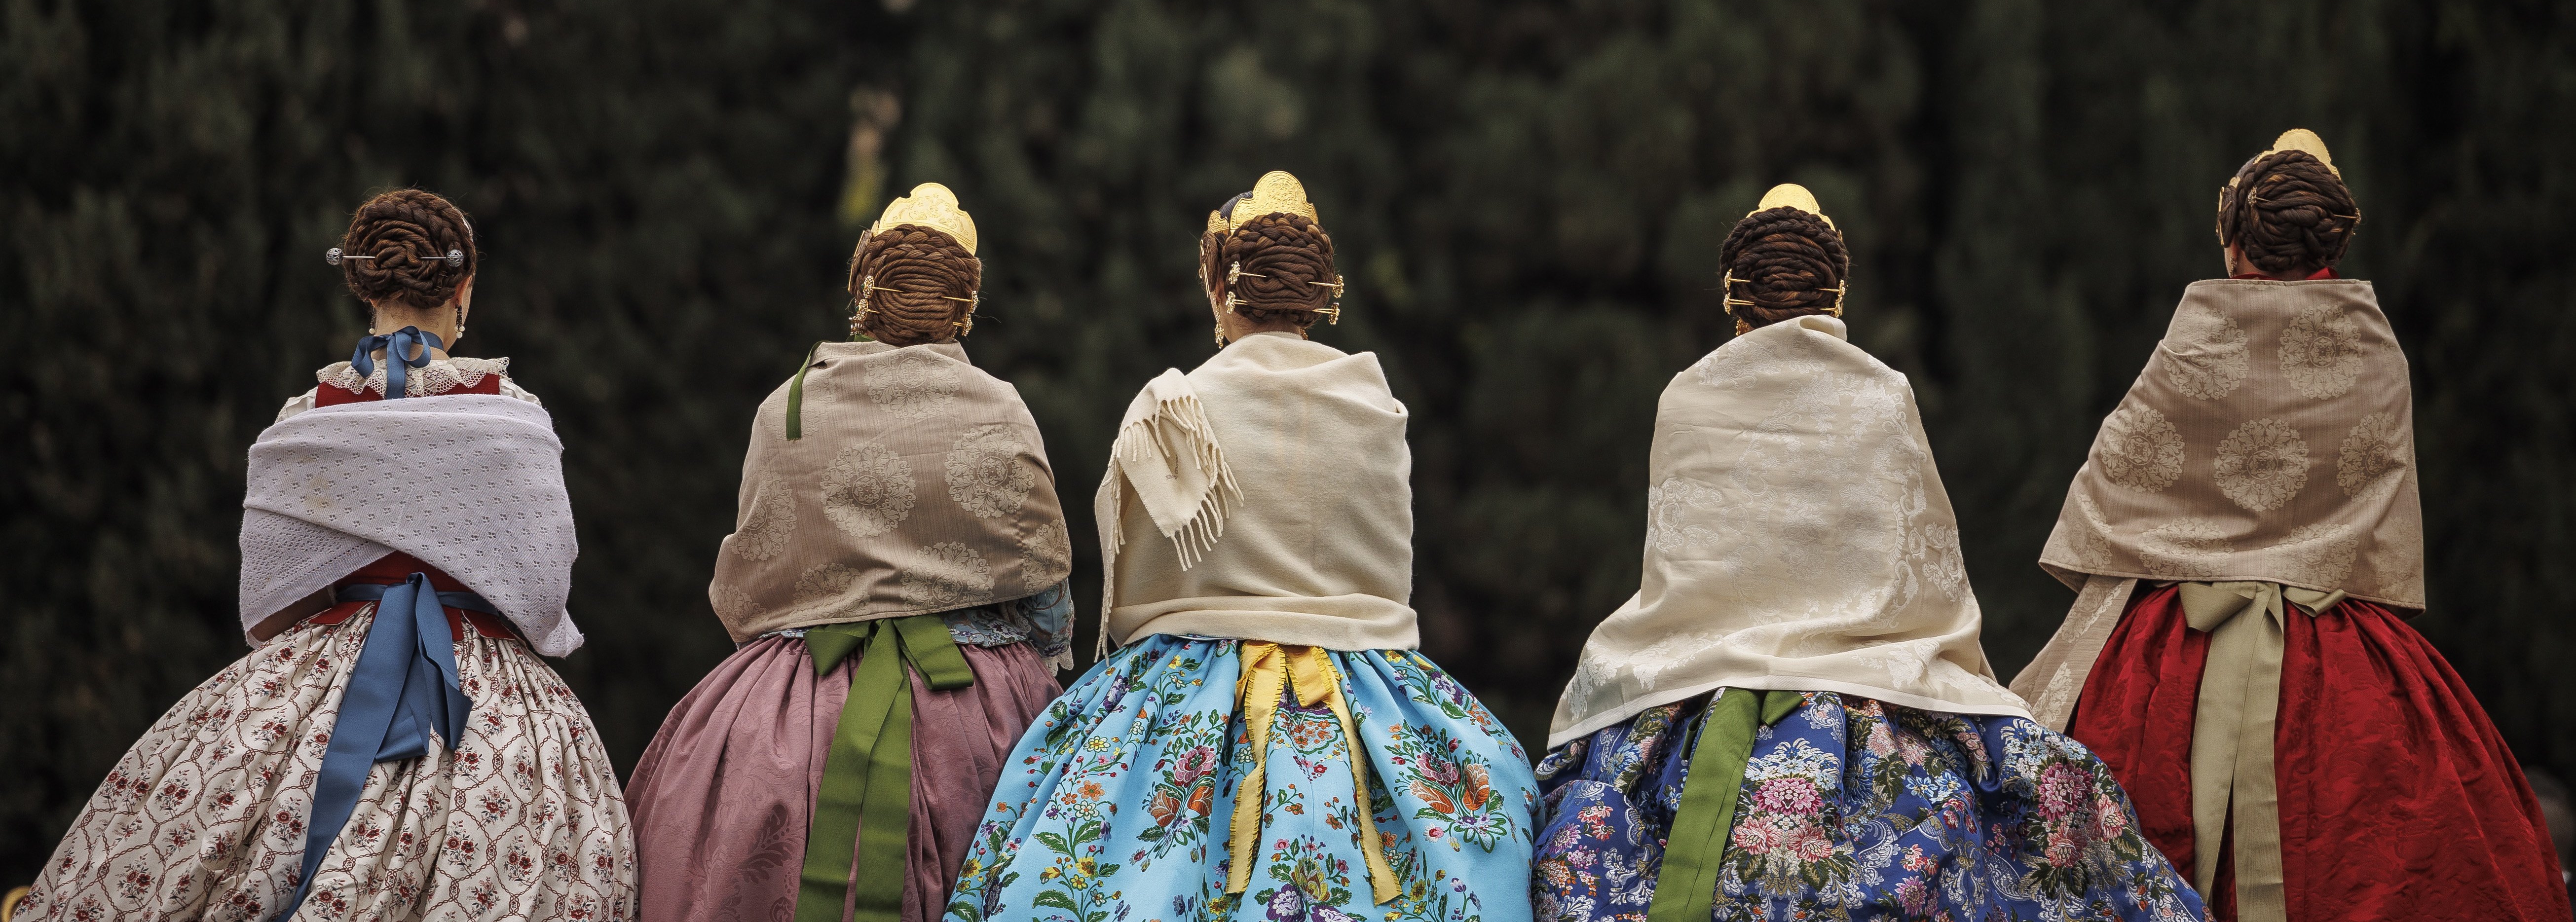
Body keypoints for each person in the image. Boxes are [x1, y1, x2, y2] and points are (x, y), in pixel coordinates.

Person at [1533, 186, 2202, 922]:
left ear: (1733, 300)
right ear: (1837, 296)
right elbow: (1926, 580)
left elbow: (1678, 574)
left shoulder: (1686, 396)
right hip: (1878, 692)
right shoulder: (1882, 394)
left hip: (1692, 692)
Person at [17, 188, 633, 922]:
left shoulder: (305, 416)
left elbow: (271, 592)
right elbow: (541, 588)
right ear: (464, 288)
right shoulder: (517, 417)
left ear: (363, 285)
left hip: (318, 677)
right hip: (489, 701)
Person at [945, 171, 1540, 922]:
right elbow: (1388, 579)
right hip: (1367, 682)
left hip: (1183, 682)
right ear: (1323, 293)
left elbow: (1134, 592)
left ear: (1217, 282)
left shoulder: (1171, 405)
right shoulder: (1376, 404)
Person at [2012, 130, 2570, 922]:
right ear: (2332, 237)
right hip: (2341, 668)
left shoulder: (2195, 339)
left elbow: (2116, 481)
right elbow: (2378, 502)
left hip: (2166, 664)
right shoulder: (2375, 347)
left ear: (2234, 238)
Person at [624, 182, 1075, 922]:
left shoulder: (787, 408)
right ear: (963, 303)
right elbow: (1045, 588)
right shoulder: (999, 406)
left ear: (862, 289)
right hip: (980, 708)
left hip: (801, 703)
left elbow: (749, 584)